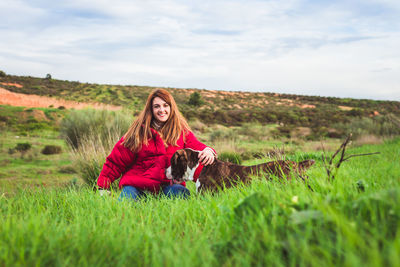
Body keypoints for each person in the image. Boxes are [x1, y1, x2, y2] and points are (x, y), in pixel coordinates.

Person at [97, 89, 216, 201]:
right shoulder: (138, 132)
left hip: (168, 187)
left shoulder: (181, 131)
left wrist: (208, 150)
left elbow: (196, 146)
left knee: (181, 193)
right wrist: (103, 186)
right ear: (151, 109)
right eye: (157, 106)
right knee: (126, 200)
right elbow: (116, 161)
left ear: (171, 107)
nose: (161, 110)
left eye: (165, 105)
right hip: (136, 185)